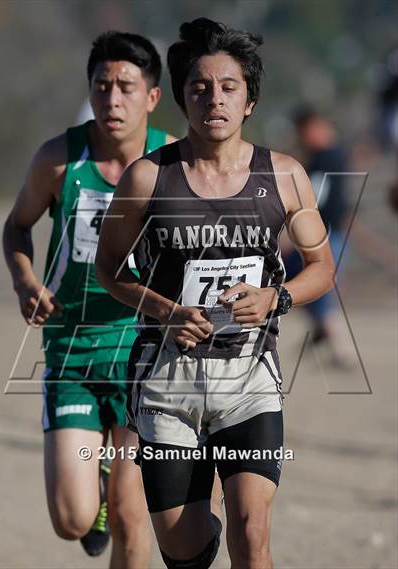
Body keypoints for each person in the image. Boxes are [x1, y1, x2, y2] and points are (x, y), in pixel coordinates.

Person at [96, 18, 334, 569]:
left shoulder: (285, 176)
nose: (214, 99)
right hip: (167, 383)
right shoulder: (147, 177)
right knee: (183, 546)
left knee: (252, 534)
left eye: (229, 87)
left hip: (249, 380)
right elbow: (109, 269)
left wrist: (276, 298)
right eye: (200, 88)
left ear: (249, 100)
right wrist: (165, 310)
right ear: (181, 97)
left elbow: (321, 267)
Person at [3, 30, 175, 567]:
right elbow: (17, 227)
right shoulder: (58, 160)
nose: (112, 100)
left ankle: (115, 482)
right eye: (102, 87)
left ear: (151, 96)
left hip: (142, 351)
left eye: (126, 87)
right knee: (72, 520)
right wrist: (25, 280)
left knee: (130, 514)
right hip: (72, 350)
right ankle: (94, 477)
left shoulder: (173, 165)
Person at [283, 109, 351, 361]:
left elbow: (312, 200)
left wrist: (292, 237)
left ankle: (340, 349)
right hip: (322, 234)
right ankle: (325, 331)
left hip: (323, 237)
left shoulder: (328, 157)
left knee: (319, 286)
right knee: (296, 280)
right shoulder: (320, 158)